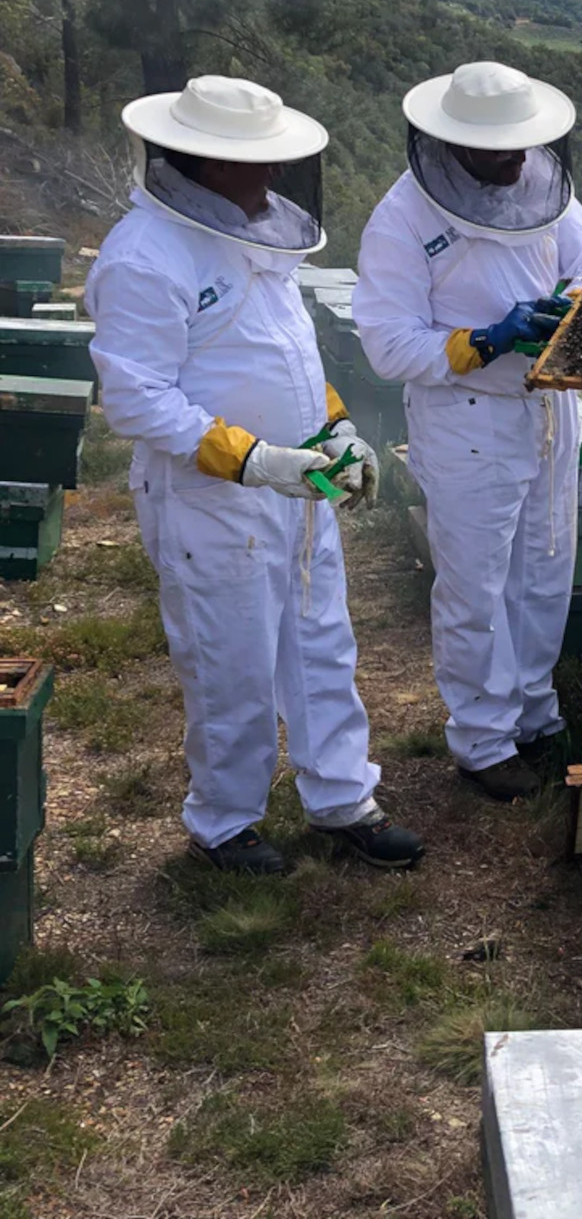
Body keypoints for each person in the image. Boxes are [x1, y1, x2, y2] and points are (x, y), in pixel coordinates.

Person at [85, 75, 424, 874]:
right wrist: (254, 459)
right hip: (209, 502)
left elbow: (292, 359)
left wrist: (338, 428)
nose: (274, 175)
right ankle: (224, 822)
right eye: (258, 161)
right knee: (229, 662)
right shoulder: (145, 255)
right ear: (208, 163)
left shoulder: (255, 238)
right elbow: (136, 398)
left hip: (298, 489)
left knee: (321, 645)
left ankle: (342, 798)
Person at [354, 61, 582, 801]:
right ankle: (484, 740)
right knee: (476, 586)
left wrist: (575, 297)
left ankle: (534, 713)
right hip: (467, 414)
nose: (518, 160)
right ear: (454, 142)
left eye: (523, 144)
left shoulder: (544, 185)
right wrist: (486, 340)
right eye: (500, 150)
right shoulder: (402, 218)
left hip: (550, 405)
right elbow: (388, 344)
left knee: (544, 568)